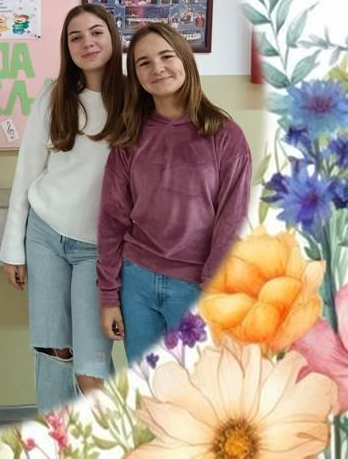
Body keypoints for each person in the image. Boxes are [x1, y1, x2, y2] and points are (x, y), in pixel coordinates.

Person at [96, 23, 251, 364]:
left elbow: (231, 220)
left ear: (184, 59)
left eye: (166, 56)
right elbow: (112, 219)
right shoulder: (129, 136)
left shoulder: (225, 135)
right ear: (136, 75)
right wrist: (108, 295)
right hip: (136, 283)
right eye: (144, 62)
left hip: (196, 286)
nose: (158, 68)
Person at [0, 4, 125, 412]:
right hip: (46, 235)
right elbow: (27, 171)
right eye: (76, 37)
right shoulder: (54, 96)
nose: (87, 42)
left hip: (99, 248)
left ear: (112, 37)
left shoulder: (135, 98)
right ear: (67, 47)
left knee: (91, 364)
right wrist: (12, 248)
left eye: (96, 32)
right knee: (54, 352)